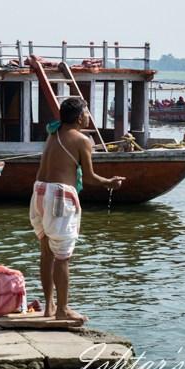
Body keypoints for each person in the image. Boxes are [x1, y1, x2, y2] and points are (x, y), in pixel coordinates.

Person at [30, 97, 125, 322]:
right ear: (80, 117)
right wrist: (109, 182)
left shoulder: (52, 134)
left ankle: (49, 307)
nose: (88, 116)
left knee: (46, 253)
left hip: (39, 192)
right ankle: (62, 310)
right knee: (62, 257)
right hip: (59, 196)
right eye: (87, 113)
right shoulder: (82, 140)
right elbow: (90, 177)